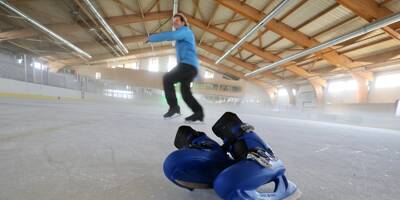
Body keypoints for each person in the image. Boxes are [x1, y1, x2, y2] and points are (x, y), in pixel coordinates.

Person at [145, 13, 204, 123]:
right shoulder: (181, 38)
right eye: (174, 20)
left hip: (188, 65)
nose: (175, 22)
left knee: (167, 79)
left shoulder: (185, 31)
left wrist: (152, 38)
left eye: (177, 20)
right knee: (185, 91)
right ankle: (198, 113)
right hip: (189, 66)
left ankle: (174, 108)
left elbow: (171, 36)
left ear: (183, 22)